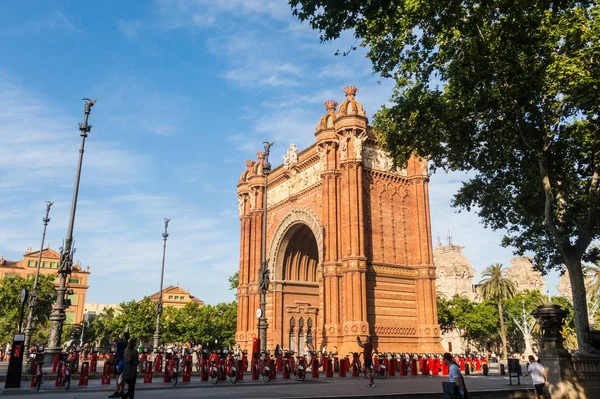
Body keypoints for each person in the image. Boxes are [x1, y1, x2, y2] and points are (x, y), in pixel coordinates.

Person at [109, 332, 130, 398]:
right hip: (126, 361)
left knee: (117, 376)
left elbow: (110, 342)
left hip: (119, 361)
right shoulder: (128, 344)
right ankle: (122, 391)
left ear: (123, 337)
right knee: (122, 377)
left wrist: (111, 336)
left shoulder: (120, 343)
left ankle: (117, 391)